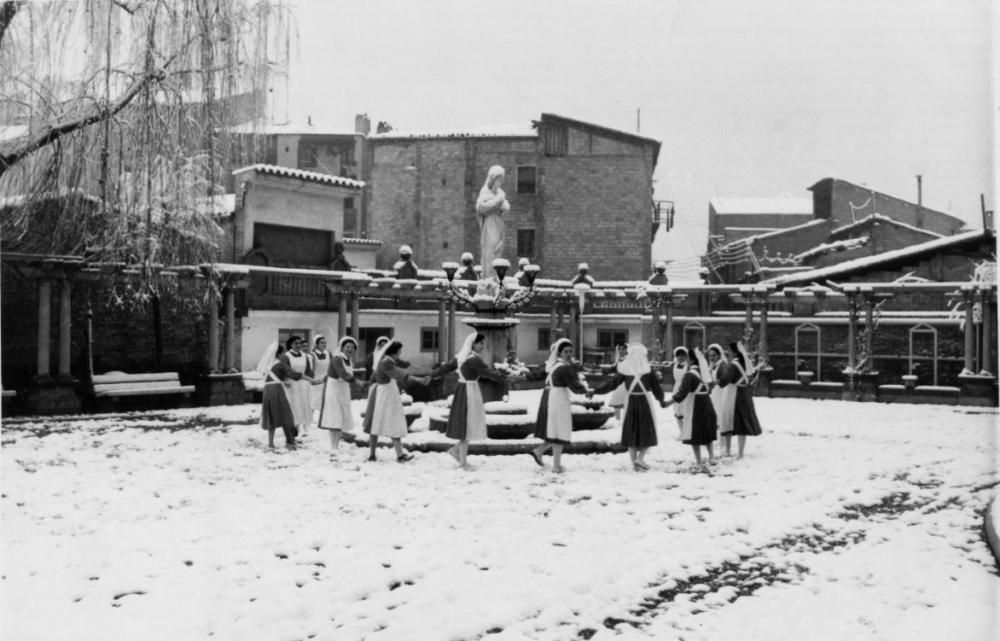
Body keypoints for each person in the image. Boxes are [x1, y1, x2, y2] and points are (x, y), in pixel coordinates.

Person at [438, 332, 506, 470]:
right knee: (467, 424)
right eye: (480, 343)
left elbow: (445, 368)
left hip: (465, 390)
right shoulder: (473, 359)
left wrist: (431, 376)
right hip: (468, 392)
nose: (483, 346)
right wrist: (504, 376)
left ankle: (456, 451)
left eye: (483, 344)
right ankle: (462, 462)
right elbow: (487, 372)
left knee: (467, 424)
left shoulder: (462, 357)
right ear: (473, 344)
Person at [593, 342, 664, 471]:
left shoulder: (625, 372)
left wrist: (596, 391)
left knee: (631, 431)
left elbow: (611, 384)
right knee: (647, 430)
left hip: (631, 402)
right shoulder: (648, 372)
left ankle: (634, 463)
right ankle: (640, 459)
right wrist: (661, 400)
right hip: (644, 403)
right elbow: (657, 389)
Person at [530, 338, 592, 474]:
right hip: (558, 400)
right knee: (559, 430)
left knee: (556, 431)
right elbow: (575, 386)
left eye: (571, 351)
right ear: (559, 353)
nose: (569, 354)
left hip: (553, 398)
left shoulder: (554, 365)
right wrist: (587, 391)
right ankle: (555, 465)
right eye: (566, 351)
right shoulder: (563, 368)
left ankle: (545, 455)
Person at [367, 340, 425, 463]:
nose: (400, 353)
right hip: (385, 396)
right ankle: (386, 454)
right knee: (383, 423)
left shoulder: (387, 360)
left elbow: (398, 368)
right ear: (395, 351)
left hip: (387, 395)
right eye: (400, 350)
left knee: (380, 424)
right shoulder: (386, 362)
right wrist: (418, 380)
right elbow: (399, 374)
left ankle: (389, 454)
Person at [662, 347, 718, 472]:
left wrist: (668, 403)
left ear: (691, 359)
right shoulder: (704, 372)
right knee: (707, 432)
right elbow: (711, 386)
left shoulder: (689, 375)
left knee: (694, 433)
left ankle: (698, 462)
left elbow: (682, 393)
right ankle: (711, 457)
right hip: (707, 403)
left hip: (696, 405)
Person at [318, 336, 363, 453]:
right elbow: (342, 373)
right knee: (334, 417)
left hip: (343, 389)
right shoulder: (337, 359)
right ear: (342, 347)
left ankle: (336, 445)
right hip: (333, 390)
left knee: (341, 417)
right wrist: (356, 381)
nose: (350, 349)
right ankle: (333, 446)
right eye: (347, 347)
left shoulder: (349, 360)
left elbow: (347, 375)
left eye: (352, 347)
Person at [258, 342, 302, 450]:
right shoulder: (280, 364)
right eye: (282, 353)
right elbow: (293, 374)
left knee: (270, 415)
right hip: (276, 390)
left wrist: (284, 381)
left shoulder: (268, 366)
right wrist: (309, 379)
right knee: (286, 414)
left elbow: (274, 377)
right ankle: (290, 441)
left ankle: (271, 443)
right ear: (279, 354)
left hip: (267, 390)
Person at [727, 341, 763, 458]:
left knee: (736, 421)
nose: (728, 352)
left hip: (736, 394)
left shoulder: (733, 365)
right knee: (742, 423)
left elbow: (727, 379)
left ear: (734, 352)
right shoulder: (744, 364)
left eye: (729, 350)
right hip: (745, 394)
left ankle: (732, 450)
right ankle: (740, 451)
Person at [475, 165, 510, 271]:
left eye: (501, 180)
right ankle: (488, 279)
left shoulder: (500, 194)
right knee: (490, 251)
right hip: (490, 225)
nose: (500, 183)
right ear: (493, 179)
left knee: (498, 250)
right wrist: (497, 202)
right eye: (499, 180)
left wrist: (497, 202)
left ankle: (496, 278)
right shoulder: (485, 192)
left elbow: (506, 208)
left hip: (499, 224)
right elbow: (481, 207)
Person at [280, 336, 315, 438]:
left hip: (303, 385)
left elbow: (308, 371)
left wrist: (310, 380)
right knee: (292, 405)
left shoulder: (305, 356)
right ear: (290, 344)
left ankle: (301, 427)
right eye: (296, 343)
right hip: (291, 385)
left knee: (302, 405)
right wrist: (285, 379)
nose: (299, 345)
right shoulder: (286, 356)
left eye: (300, 343)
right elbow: (284, 370)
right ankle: (291, 428)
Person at [706, 343, 737, 458]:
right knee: (716, 417)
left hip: (721, 393)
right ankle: (721, 440)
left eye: (714, 355)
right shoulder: (713, 365)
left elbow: (723, 380)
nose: (712, 358)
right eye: (710, 356)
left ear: (719, 355)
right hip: (715, 393)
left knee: (720, 416)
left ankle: (723, 441)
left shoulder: (722, 365)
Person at [309, 335, 332, 427]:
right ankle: (309, 421)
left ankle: (323, 421)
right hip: (316, 380)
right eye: (322, 343)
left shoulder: (328, 353)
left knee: (325, 401)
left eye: (325, 343)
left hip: (326, 380)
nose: (324, 344)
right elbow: (311, 369)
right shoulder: (312, 355)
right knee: (313, 401)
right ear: (317, 344)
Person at [606, 343, 629, 423]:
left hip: (627, 384)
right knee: (617, 401)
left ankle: (626, 420)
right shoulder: (619, 360)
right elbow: (614, 368)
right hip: (619, 384)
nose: (621, 351)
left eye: (623, 349)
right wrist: (604, 370)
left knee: (627, 402)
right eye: (620, 349)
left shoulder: (629, 360)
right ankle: (618, 419)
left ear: (627, 350)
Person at [670, 346, 689, 438]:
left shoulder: (688, 366)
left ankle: (687, 432)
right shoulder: (674, 365)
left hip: (686, 389)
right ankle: (682, 432)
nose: (680, 357)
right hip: (677, 388)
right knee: (678, 410)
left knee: (686, 410)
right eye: (678, 355)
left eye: (682, 355)